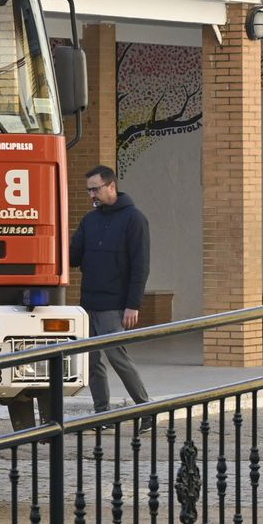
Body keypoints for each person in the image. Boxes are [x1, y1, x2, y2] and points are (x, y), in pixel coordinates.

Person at [72, 165, 154, 431]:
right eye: (89, 190)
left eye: (95, 189)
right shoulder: (90, 220)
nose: (92, 195)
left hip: (115, 304)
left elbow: (140, 266)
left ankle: (146, 408)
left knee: (118, 357)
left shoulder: (134, 219)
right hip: (89, 303)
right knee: (92, 361)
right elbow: (74, 256)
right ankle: (101, 414)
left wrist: (133, 304)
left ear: (111, 186)